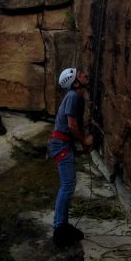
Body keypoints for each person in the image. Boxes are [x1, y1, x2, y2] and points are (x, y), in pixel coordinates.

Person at [49, 67, 94, 247]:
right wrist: (84, 140)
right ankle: (60, 230)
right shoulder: (73, 97)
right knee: (67, 185)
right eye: (81, 74)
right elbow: (72, 125)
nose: (85, 74)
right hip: (61, 145)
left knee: (68, 185)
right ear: (75, 83)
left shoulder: (75, 96)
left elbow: (76, 126)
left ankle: (63, 225)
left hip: (63, 143)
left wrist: (83, 144)